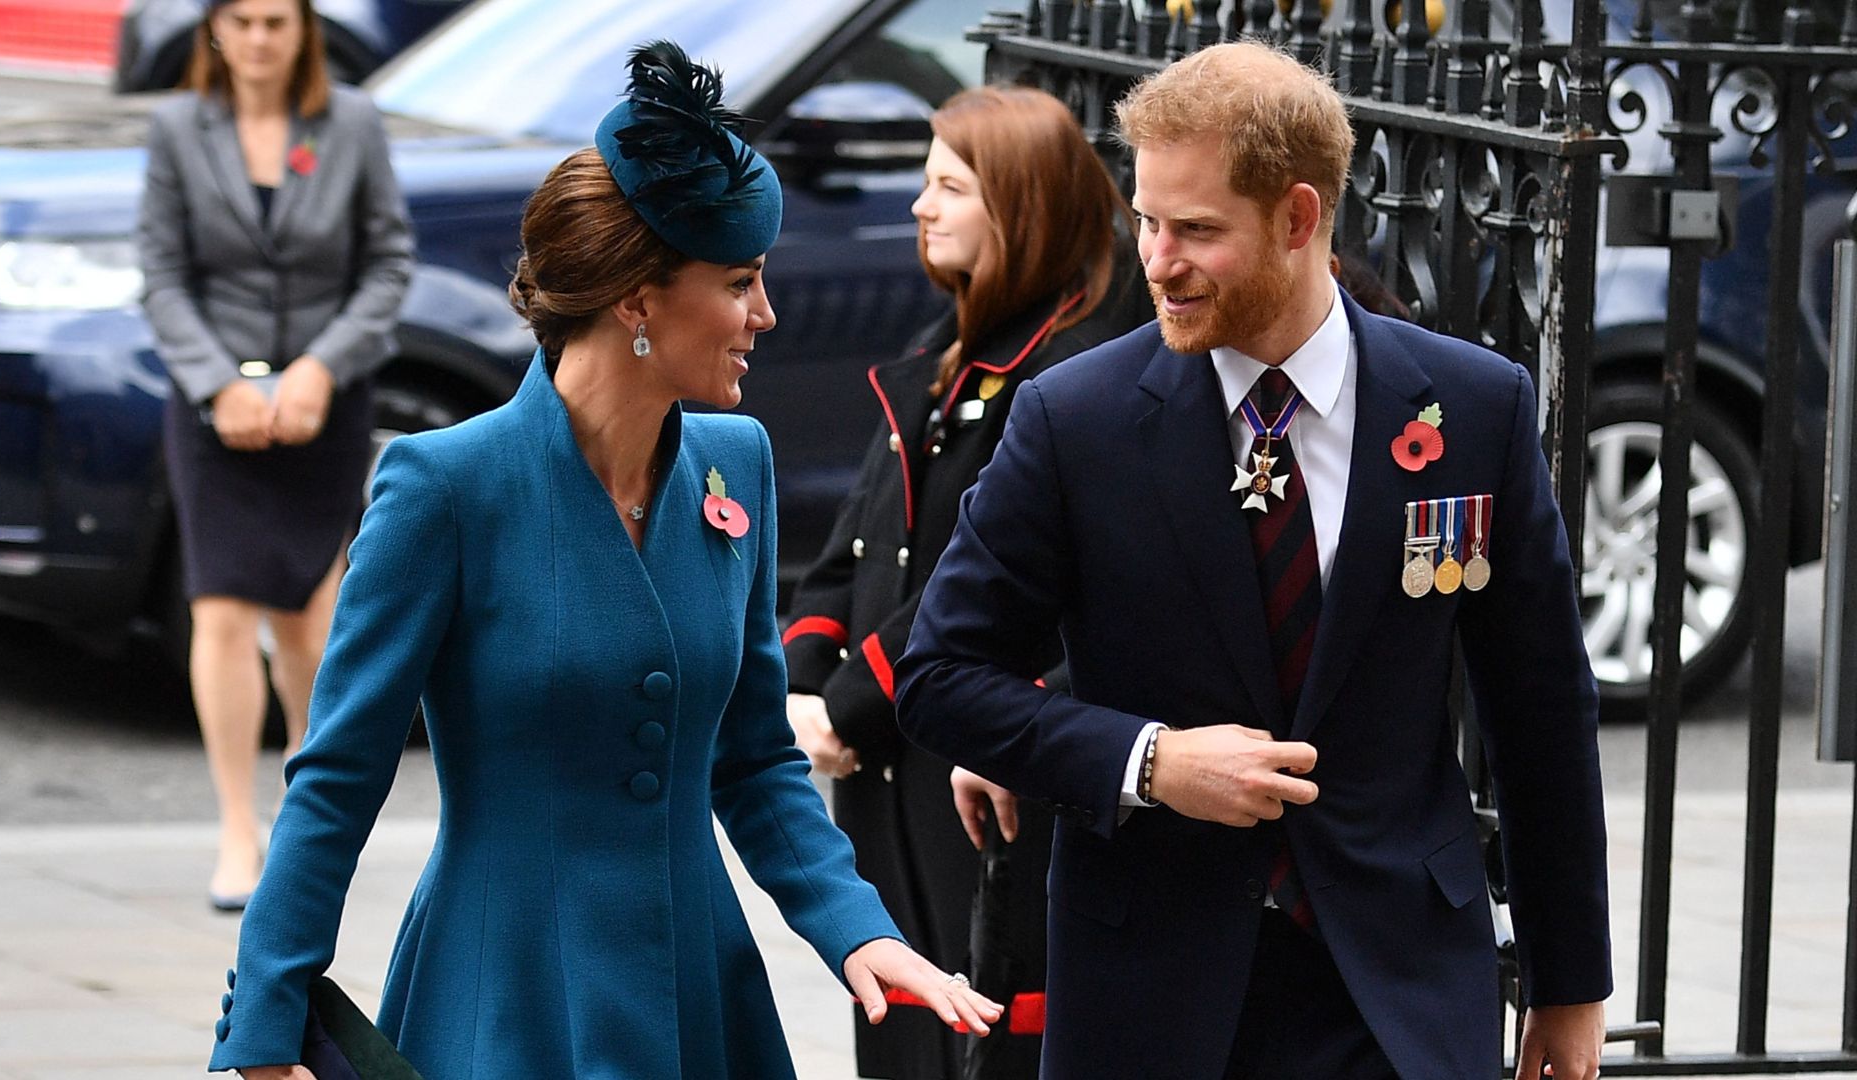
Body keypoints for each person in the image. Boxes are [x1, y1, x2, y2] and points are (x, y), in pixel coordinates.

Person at [206, 42, 1002, 1079]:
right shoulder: (445, 487)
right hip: (505, 994)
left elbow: (755, 756)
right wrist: (262, 1033)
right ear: (637, 299)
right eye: (740, 282)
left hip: (697, 987)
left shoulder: (738, 462)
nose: (766, 314)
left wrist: (859, 928)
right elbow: (336, 779)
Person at [895, 42, 1611, 1080]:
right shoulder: (1075, 419)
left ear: (1298, 219)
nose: (1155, 258)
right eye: (1146, 219)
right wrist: (1148, 762)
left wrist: (1570, 985)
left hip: (1396, 991)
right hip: (1153, 992)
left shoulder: (1473, 409)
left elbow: (1541, 707)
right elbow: (941, 679)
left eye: (1195, 230)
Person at [781, 85, 1147, 1080]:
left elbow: (968, 582)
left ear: (1019, 208)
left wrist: (849, 705)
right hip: (886, 773)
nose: (920, 206)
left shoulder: (1060, 373)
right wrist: (803, 674)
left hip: (962, 762)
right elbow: (854, 543)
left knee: (970, 1032)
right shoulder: (944, 360)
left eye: (948, 185)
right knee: (900, 1028)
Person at [138, 0, 413, 912]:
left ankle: (310, 811)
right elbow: (164, 276)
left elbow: (385, 267)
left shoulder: (354, 123)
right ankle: (233, 826)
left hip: (320, 403)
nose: (260, 38)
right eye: (244, 21)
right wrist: (220, 384)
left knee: (307, 611)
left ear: (303, 33)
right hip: (213, 404)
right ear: (215, 30)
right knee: (220, 610)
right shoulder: (179, 127)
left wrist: (319, 371)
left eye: (277, 22)